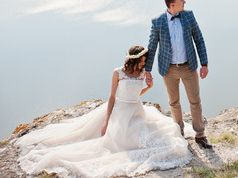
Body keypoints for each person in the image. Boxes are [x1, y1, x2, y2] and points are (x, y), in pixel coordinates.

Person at [16, 46, 190, 177]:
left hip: (137, 109)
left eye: (145, 61)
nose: (144, 63)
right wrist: (107, 121)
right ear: (134, 60)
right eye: (143, 60)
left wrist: (148, 88)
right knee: (122, 140)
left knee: (151, 135)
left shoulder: (142, 73)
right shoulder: (118, 73)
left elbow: (136, 94)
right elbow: (113, 97)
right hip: (121, 111)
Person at [145, 0, 212, 149]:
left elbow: (199, 39)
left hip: (189, 67)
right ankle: (179, 133)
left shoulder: (189, 16)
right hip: (168, 69)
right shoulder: (158, 21)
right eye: (182, 0)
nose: (185, 2)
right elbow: (152, 46)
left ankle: (200, 135)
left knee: (195, 101)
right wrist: (147, 70)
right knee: (174, 103)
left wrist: (204, 64)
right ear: (172, 4)